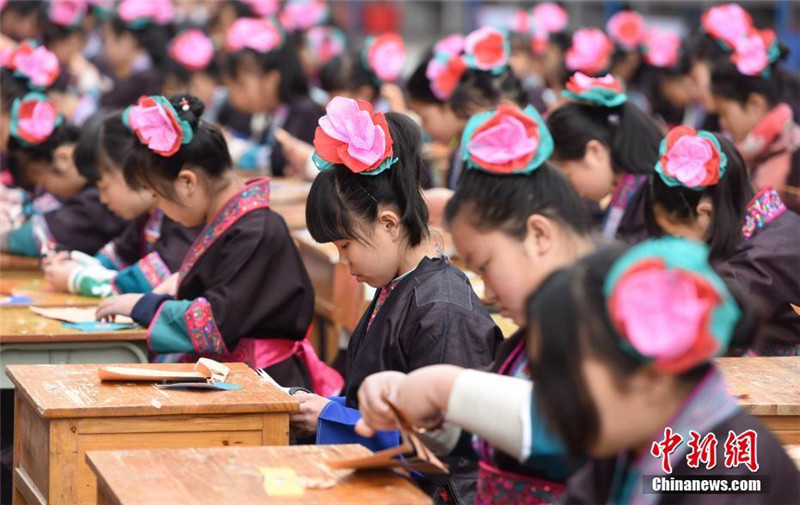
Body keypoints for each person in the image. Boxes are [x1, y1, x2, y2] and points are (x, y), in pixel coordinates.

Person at [356, 103, 594, 504]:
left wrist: (443, 388)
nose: (485, 289)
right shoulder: (534, 334)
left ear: (538, 235)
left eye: (485, 265)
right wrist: (427, 415)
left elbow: (564, 426)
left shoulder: (609, 317)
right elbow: (497, 436)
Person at [296, 96, 501, 503]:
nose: (343, 261)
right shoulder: (402, 287)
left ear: (388, 223)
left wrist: (329, 414)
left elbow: (436, 444)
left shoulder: (442, 308)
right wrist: (327, 406)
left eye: (345, 245)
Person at [95, 94, 341, 396]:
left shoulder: (256, 229)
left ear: (188, 183)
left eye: (157, 196)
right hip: (234, 375)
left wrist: (142, 306)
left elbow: (215, 321)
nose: (157, 206)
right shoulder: (234, 223)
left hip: (260, 383)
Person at [526, 238, 800, 504]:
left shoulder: (729, 479)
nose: (547, 401)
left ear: (652, 376)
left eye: (560, 375)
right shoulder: (629, 439)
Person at [646, 125, 800, 355]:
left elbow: (703, 319)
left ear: (705, 212)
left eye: (675, 235)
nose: (672, 246)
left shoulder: (760, 260)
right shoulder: (764, 227)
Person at [42, 112, 200, 298]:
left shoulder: (183, 217)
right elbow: (119, 254)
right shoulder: (149, 217)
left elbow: (156, 283)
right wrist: (79, 263)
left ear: (131, 170)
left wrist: (77, 278)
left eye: (104, 187)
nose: (102, 199)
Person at [2, 93, 126, 256]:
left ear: (63, 158)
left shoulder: (95, 200)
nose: (45, 189)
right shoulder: (80, 189)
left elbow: (43, 234)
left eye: (43, 182)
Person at [548, 72, 663, 242]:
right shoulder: (636, 191)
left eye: (568, 177)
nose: (571, 190)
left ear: (595, 152)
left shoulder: (650, 204)